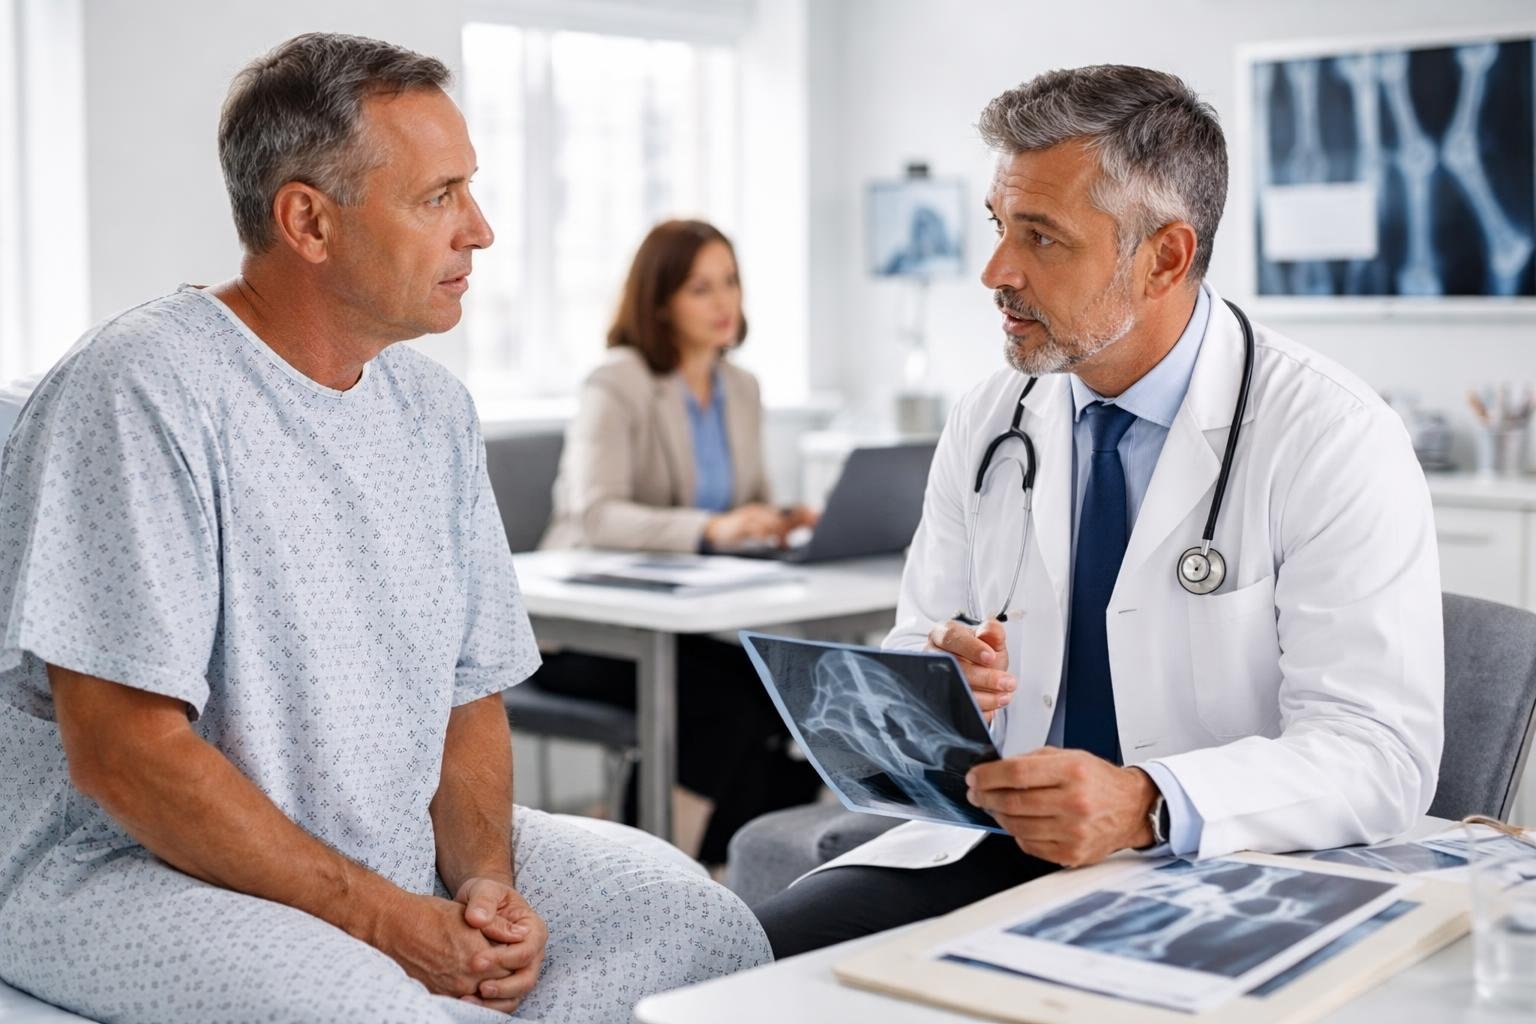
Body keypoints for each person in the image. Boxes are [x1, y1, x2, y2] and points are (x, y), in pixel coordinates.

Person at [0, 33, 768, 1024]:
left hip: (386, 845)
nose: (481, 230)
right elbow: (126, 754)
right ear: (308, 221)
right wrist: (389, 922)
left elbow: (467, 697)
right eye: (438, 196)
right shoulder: (142, 389)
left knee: (707, 932)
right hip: (123, 867)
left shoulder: (434, 411)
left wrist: (485, 886)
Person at [754, 64, 1443, 957]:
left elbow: (1378, 750)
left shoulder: (1333, 435)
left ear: (1164, 257)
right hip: (996, 843)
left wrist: (1148, 801)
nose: (994, 270)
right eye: (1000, 226)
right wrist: (943, 691)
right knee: (747, 967)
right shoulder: (992, 415)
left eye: (1042, 238)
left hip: (1225, 863)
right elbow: (917, 643)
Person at [535, 220, 822, 865]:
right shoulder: (618, 382)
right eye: (701, 289)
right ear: (660, 300)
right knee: (720, 700)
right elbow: (596, 515)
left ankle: (693, 856)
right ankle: (653, 863)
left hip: (684, 624)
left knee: (780, 691)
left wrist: (774, 521)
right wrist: (710, 528)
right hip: (588, 630)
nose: (725, 304)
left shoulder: (740, 387)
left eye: (730, 284)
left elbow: (748, 497)